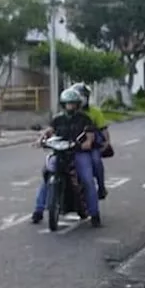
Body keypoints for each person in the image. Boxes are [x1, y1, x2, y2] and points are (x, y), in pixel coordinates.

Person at [32, 87, 100, 227]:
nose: (70, 106)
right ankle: (38, 211)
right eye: (68, 103)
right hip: (60, 152)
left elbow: (90, 138)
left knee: (87, 180)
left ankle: (94, 213)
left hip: (78, 152)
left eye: (73, 103)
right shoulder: (58, 119)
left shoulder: (84, 118)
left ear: (78, 105)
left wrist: (85, 144)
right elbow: (49, 131)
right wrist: (41, 140)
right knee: (46, 177)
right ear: (63, 105)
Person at [71, 83, 111, 199]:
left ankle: (101, 187)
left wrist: (107, 142)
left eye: (83, 95)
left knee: (96, 161)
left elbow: (103, 129)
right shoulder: (69, 112)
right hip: (73, 145)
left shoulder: (94, 111)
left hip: (91, 146)